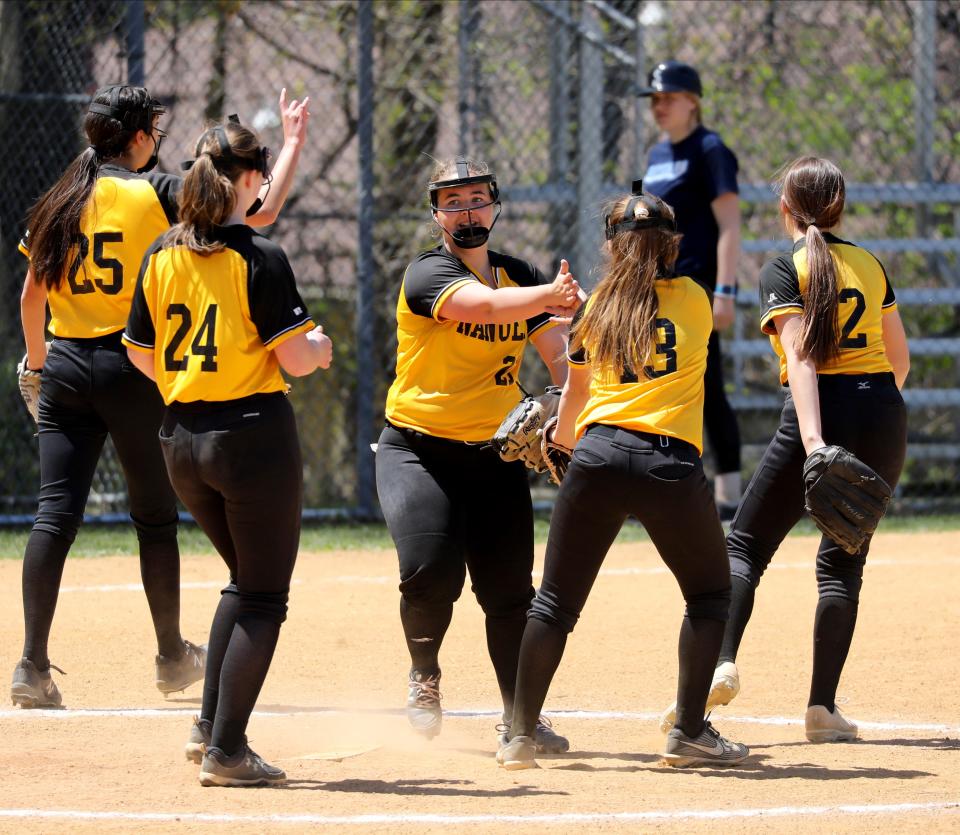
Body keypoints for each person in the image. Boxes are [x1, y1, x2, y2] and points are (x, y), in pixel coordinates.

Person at [12, 83, 309, 709]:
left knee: (52, 515)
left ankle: (30, 665)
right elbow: (260, 212)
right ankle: (172, 655)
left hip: (63, 364)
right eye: (156, 131)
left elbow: (31, 295)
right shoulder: (156, 189)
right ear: (141, 135)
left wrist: (37, 366)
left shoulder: (60, 197)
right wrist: (289, 146)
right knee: (152, 517)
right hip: (130, 364)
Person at [496, 187, 748, 771]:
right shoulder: (696, 300)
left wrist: (557, 440)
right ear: (674, 245)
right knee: (711, 595)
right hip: (669, 464)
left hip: (599, 457)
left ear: (611, 248)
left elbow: (576, 403)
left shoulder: (595, 307)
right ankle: (687, 730)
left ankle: (518, 734)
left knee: (554, 603)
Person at [661, 156, 909, 742]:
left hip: (817, 412)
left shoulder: (783, 267)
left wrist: (816, 437)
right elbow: (899, 362)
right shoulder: (871, 265)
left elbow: (801, 359)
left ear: (784, 210)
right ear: (840, 207)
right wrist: (869, 418)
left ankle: (720, 663)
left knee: (744, 547)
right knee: (843, 564)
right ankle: (822, 710)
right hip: (882, 413)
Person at [123, 118, 331, 786]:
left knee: (244, 581)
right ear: (248, 181)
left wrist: (192, 386)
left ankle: (208, 727)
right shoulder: (258, 256)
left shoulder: (161, 251)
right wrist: (320, 349)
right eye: (260, 174)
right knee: (265, 596)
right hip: (250, 438)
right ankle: (228, 750)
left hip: (180, 440)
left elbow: (138, 352)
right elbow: (297, 360)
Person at [375, 157, 579, 753]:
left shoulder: (518, 275)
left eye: (477, 199)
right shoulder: (426, 273)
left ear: (496, 204)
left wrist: (566, 413)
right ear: (435, 214)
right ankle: (425, 675)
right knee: (429, 572)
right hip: (417, 448)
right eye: (453, 201)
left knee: (511, 592)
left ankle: (519, 716)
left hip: (494, 454)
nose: (467, 212)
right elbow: (483, 308)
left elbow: (560, 353)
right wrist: (553, 294)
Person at [639, 60, 743, 519]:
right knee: (652, 381)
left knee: (706, 383)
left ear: (692, 101)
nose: (659, 106)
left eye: (668, 98)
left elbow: (730, 224)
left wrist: (725, 290)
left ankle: (728, 495)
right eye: (655, 99)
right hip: (653, 286)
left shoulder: (710, 149)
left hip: (697, 286)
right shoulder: (657, 155)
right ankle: (652, 483)